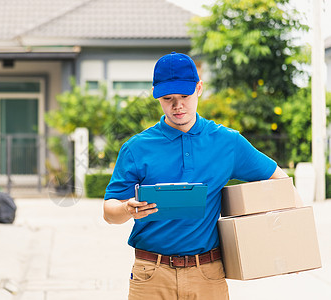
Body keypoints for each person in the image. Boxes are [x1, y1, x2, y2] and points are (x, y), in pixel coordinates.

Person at [103, 51, 293, 300]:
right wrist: (128, 208)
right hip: (151, 275)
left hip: (207, 275)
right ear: (156, 95)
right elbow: (109, 212)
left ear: (199, 88)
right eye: (168, 98)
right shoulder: (136, 148)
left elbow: (279, 180)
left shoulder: (228, 142)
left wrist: (290, 246)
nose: (177, 105)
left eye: (184, 95)